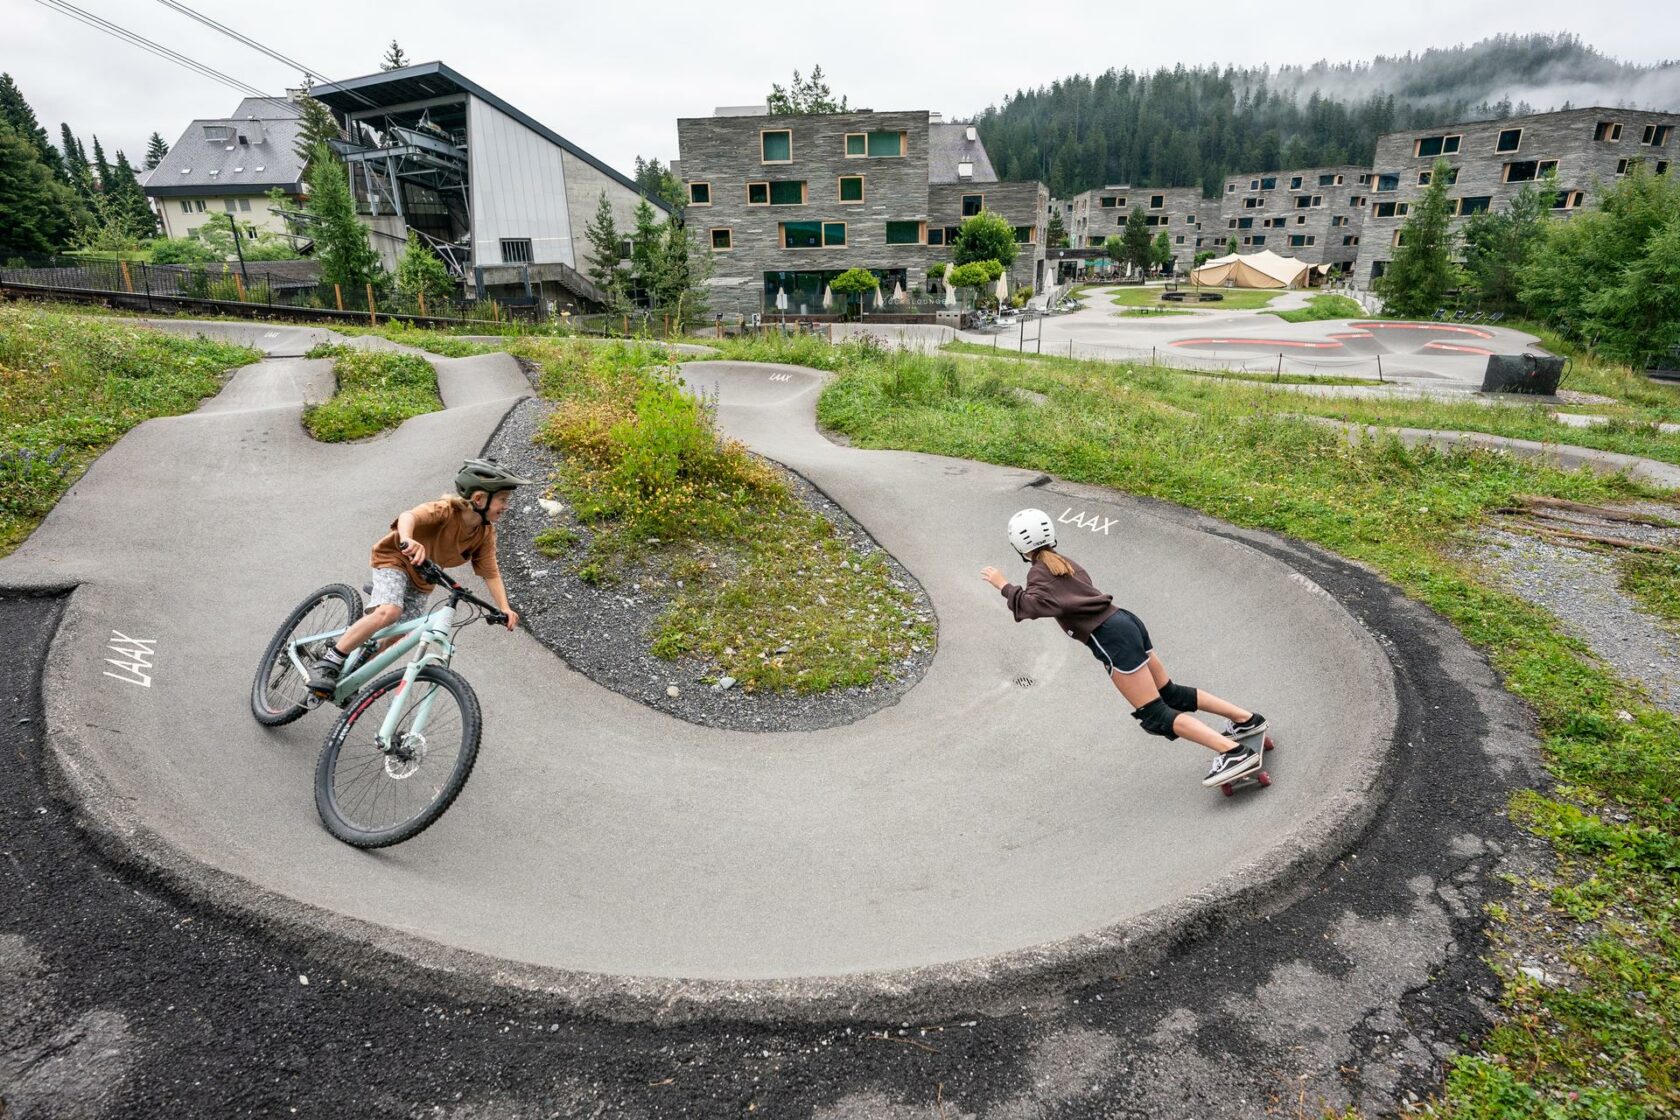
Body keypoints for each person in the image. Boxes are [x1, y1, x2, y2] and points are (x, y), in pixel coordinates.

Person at [981, 508, 1268, 787]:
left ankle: (1233, 752)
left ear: (1018, 546)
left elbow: (1031, 605)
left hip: (1110, 638)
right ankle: (1246, 720)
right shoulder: (1064, 562)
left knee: (1154, 713)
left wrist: (1004, 585)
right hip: (1125, 622)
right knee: (1170, 693)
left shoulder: (1039, 573)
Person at [306, 459, 530, 694]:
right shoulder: (445, 510)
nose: (506, 506)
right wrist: (407, 539)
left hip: (422, 579)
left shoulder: (484, 533)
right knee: (390, 611)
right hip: (394, 559)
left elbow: (490, 572)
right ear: (479, 499)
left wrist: (504, 607)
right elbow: (408, 516)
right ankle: (329, 661)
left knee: (402, 632)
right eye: (502, 499)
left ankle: (351, 674)